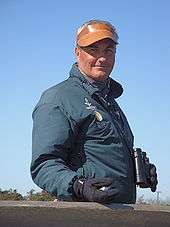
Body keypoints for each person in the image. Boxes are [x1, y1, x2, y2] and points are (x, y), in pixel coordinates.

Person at [31, 20, 157, 203]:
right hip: (83, 216)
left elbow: (102, 156)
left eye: (108, 50)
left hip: (121, 215)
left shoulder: (111, 104)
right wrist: (79, 186)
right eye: (93, 49)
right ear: (77, 53)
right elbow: (43, 165)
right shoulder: (58, 98)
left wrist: (138, 169)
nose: (102, 57)